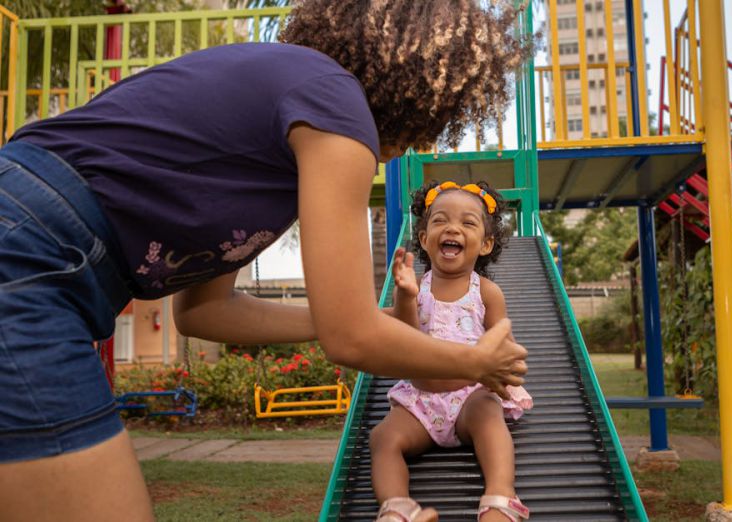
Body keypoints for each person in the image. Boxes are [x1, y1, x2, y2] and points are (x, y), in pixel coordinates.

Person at [0, 2, 532, 520]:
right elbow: (350, 339)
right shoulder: (335, 104)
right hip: (32, 253)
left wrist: (345, 320)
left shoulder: (278, 122)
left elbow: (205, 313)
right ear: (423, 93)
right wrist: (472, 363)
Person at [371, 181, 533, 522]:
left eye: (468, 223)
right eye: (440, 220)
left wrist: (506, 366)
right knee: (383, 438)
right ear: (425, 237)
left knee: (490, 416)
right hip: (421, 401)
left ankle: (501, 496)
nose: (453, 228)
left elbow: (504, 340)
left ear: (486, 244)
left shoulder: (487, 293)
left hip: (469, 397)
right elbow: (404, 335)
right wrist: (404, 296)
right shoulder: (416, 288)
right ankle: (398, 507)